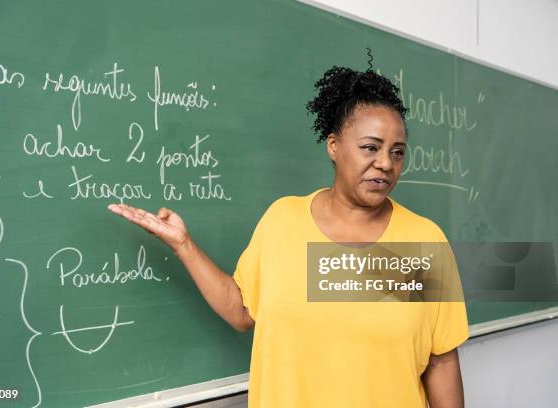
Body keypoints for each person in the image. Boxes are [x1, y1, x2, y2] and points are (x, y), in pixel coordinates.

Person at [108, 66, 469, 408]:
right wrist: (184, 246)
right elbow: (241, 311)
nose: (386, 163)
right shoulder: (283, 221)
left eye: (397, 152)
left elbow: (441, 362)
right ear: (333, 145)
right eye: (370, 147)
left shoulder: (425, 242)